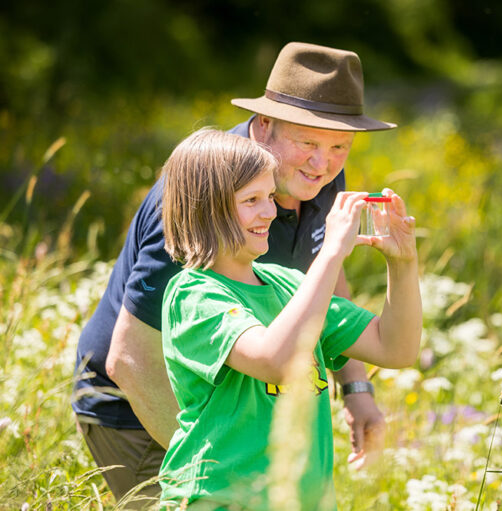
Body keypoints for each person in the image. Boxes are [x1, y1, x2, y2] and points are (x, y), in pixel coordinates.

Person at [72, 42, 396, 504]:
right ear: (263, 127)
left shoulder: (316, 176)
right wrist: (224, 465)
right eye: (307, 142)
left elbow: (323, 275)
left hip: (239, 404)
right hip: (138, 405)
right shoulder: (202, 198)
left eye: (339, 146)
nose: (322, 164)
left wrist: (356, 387)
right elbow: (128, 358)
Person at [157, 128, 420, 509]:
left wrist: (403, 262)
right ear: (207, 208)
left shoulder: (291, 286)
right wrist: (331, 252)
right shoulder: (194, 295)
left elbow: (396, 348)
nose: (269, 212)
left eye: (269, 197)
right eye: (251, 200)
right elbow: (275, 361)